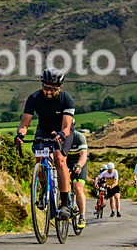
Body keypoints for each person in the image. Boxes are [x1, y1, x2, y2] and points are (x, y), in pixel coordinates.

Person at [14, 68, 76, 219]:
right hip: (44, 130)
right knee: (39, 159)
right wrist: (20, 134)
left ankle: (65, 203)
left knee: (59, 159)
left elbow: (67, 126)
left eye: (52, 89)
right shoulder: (34, 98)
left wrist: (61, 134)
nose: (48, 92)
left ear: (60, 88)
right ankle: (43, 189)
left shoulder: (66, 100)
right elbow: (24, 123)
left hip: (62, 131)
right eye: (45, 88)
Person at [67, 130, 89, 229]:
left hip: (78, 162)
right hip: (66, 162)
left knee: (78, 188)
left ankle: (82, 216)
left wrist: (79, 166)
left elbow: (83, 155)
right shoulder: (60, 136)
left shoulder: (79, 137)